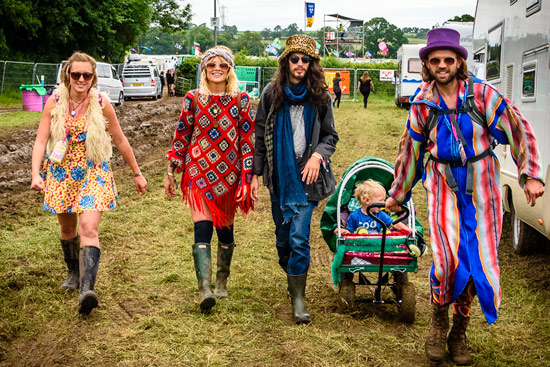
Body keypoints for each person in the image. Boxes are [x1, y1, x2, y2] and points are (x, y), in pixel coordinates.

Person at [384, 28, 544, 366]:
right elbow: (410, 152)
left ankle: (459, 331)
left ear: (459, 62)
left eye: (448, 59)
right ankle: (437, 324)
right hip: (443, 185)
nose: (442, 65)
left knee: (476, 265)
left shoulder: (483, 95)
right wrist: (398, 193)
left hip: (483, 187)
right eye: (435, 60)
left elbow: (517, 127)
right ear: (427, 64)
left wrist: (529, 174)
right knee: (446, 262)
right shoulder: (422, 104)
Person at [30, 51, 147, 315]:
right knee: (67, 227)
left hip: (93, 170)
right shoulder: (55, 102)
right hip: (61, 172)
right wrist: (36, 174)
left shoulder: (102, 103)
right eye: (76, 74)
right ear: (67, 76)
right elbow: (40, 141)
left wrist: (137, 173)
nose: (81, 79)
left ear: (93, 78)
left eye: (87, 75)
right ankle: (73, 273)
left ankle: (86, 289)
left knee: (89, 228)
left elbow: (119, 139)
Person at [251, 34, 339, 325]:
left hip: (308, 176)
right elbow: (260, 136)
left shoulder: (321, 95)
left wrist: (318, 157)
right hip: (280, 176)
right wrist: (256, 174)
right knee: (283, 239)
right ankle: (292, 274)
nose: (300, 64)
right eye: (294, 58)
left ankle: (298, 298)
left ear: (312, 64)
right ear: (286, 62)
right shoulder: (271, 93)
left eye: (305, 59)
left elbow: (330, 136)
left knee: (300, 238)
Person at [165, 46, 255, 313]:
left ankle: (221, 280)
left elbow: (247, 143)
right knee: (202, 228)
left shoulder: (242, 100)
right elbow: (181, 137)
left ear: (230, 70)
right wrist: (171, 172)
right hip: (198, 173)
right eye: (211, 64)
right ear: (204, 69)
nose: (217, 68)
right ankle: (204, 288)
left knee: (225, 230)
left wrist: (247, 179)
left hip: (229, 176)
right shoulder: (193, 98)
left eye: (223, 65)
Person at [340, 180, 410, 234]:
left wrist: (408, 230)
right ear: (367, 200)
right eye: (381, 200)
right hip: (361, 246)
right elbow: (349, 233)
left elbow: (394, 223)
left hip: (378, 244)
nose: (383, 203)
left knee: (386, 231)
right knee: (361, 230)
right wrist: (343, 231)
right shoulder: (354, 216)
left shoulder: (380, 214)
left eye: (384, 200)